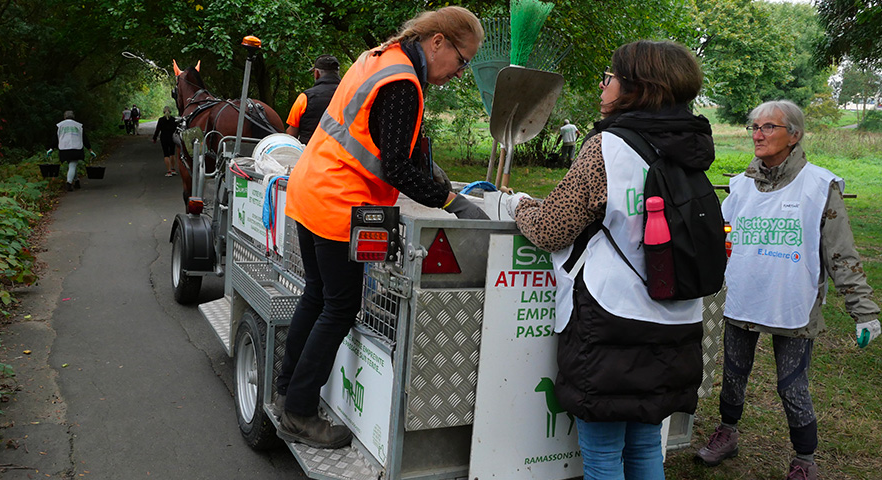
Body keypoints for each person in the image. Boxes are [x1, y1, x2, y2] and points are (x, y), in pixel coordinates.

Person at [276, 5, 489, 449]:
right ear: (437, 42)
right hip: (339, 202)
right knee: (338, 306)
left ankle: (286, 390)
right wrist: (451, 201)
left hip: (310, 188)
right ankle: (298, 412)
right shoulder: (403, 83)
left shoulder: (379, 57)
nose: (460, 72)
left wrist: (432, 175)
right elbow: (394, 167)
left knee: (317, 295)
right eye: (462, 60)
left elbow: (381, 142)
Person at [507, 40, 711, 479]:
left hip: (610, 320)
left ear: (637, 87)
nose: (605, 84)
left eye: (611, 76)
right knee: (643, 445)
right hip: (676, 321)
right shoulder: (692, 151)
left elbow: (551, 228)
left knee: (601, 456)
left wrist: (518, 205)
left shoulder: (608, 147)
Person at [695, 100, 880, 480]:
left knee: (791, 384)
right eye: (754, 127)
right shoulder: (741, 185)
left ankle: (805, 460)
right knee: (733, 373)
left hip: (792, 302)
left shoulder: (819, 186)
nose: (757, 135)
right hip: (744, 296)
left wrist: (864, 310)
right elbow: (718, 236)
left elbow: (840, 253)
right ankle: (727, 433)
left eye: (768, 127)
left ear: (793, 135)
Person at [286, 55, 342, 144]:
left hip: (310, 153)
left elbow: (292, 133)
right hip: (340, 154)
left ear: (317, 73)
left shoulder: (305, 97)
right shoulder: (350, 95)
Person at [48, 110, 95, 191]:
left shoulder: (60, 125)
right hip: (76, 148)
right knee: (73, 165)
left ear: (64, 117)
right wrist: (90, 149)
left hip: (64, 149)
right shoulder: (78, 125)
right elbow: (84, 138)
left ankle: (76, 181)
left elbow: (55, 138)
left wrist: (51, 148)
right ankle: (69, 183)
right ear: (73, 117)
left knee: (72, 165)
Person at [152, 106, 178, 176]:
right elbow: (177, 130)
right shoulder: (174, 119)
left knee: (166, 154)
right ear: (170, 111)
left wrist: (154, 138)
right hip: (172, 138)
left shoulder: (161, 120)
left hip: (164, 138)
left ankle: (169, 171)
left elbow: (157, 130)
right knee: (172, 153)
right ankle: (173, 169)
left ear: (163, 112)